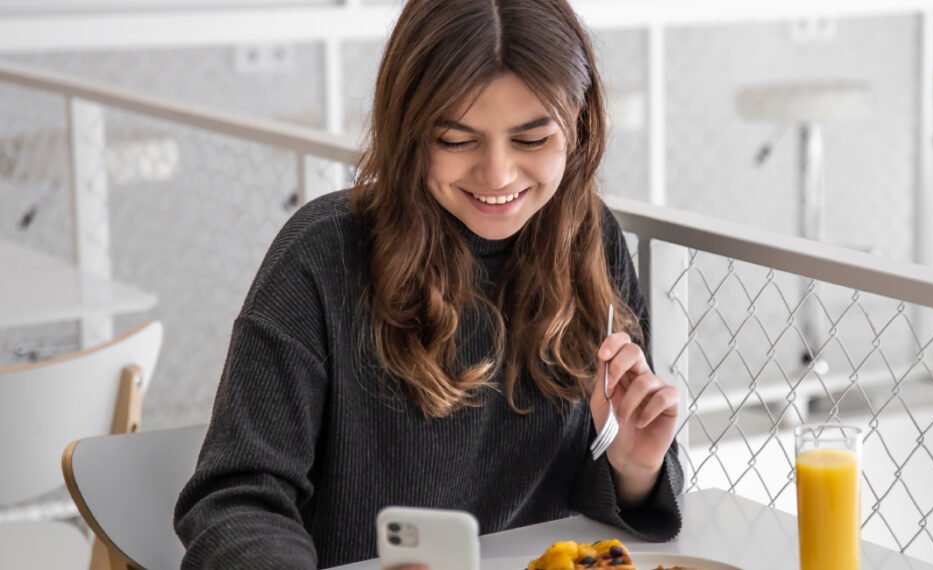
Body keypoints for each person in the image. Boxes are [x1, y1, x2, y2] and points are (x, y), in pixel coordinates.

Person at [173, 0, 683, 567]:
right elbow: (236, 500)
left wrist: (634, 469)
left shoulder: (591, 243)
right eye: (456, 140)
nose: (497, 176)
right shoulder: (322, 256)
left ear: (579, 128)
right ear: (408, 131)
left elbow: (593, 502)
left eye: (532, 140)